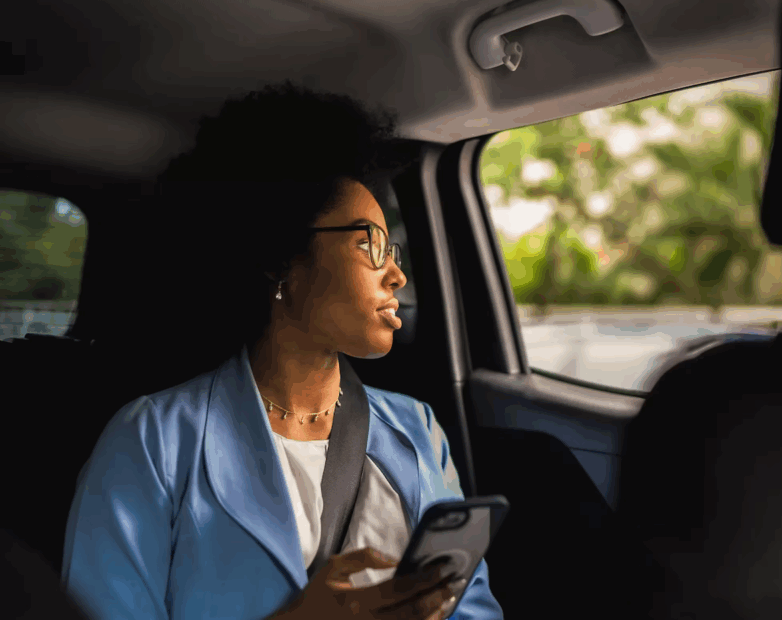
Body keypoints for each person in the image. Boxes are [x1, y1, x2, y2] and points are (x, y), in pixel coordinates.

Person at [60, 81, 503, 620]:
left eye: (396, 250)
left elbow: (475, 610)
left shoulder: (418, 429)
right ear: (280, 257)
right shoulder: (152, 440)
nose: (398, 275)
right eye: (371, 245)